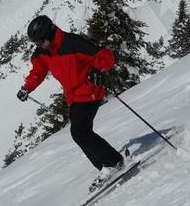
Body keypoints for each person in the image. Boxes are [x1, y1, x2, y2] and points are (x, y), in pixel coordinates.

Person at [16, 15, 124, 175]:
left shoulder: (73, 43)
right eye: (37, 43)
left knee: (79, 132)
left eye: (41, 41)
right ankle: (106, 167)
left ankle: (113, 162)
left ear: (50, 34)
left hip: (89, 90)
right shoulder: (43, 53)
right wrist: (27, 87)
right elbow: (37, 72)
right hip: (73, 97)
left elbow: (105, 57)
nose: (40, 45)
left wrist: (96, 70)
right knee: (79, 133)